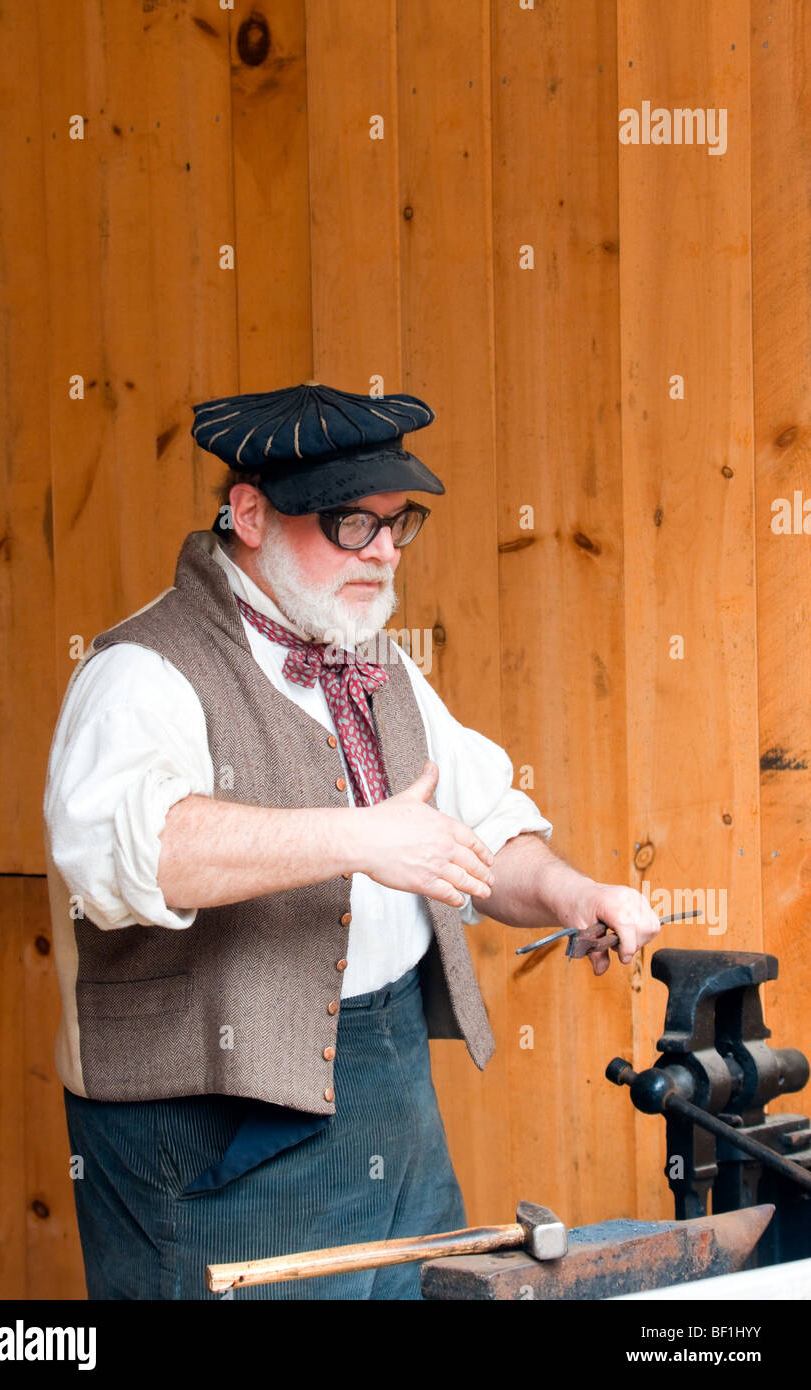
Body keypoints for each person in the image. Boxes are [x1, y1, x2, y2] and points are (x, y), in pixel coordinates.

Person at [43, 381, 661, 1301]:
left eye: (396, 524)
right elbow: (132, 854)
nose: (381, 553)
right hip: (218, 1123)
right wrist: (358, 838)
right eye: (347, 525)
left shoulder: (377, 659)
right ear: (248, 514)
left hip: (390, 1085)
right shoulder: (141, 670)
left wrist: (574, 895)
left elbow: (484, 826)